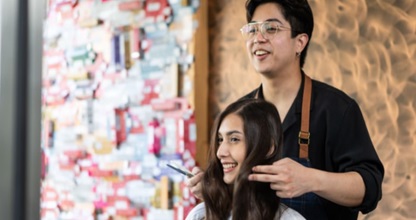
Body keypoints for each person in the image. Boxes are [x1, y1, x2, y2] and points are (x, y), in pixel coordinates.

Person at [186, 0, 384, 219]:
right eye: (252, 29)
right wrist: (215, 187)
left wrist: (311, 179)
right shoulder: (239, 114)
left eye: (271, 28)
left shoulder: (336, 109)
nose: (258, 38)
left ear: (300, 42)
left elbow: (370, 188)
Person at [185, 98, 305, 220]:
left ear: (268, 148)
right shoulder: (199, 215)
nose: (220, 152)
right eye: (220, 140)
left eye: (234, 139)